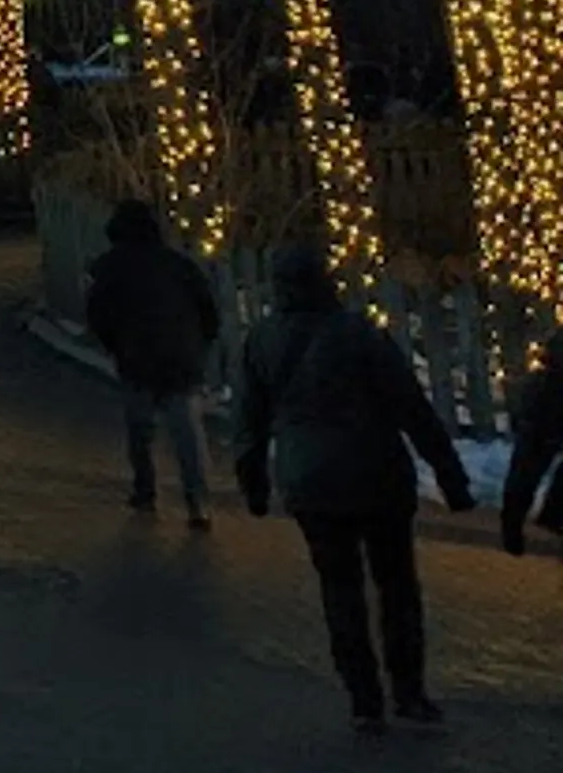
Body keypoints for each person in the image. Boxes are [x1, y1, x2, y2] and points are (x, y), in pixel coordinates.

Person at [233, 246, 472, 733]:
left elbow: (249, 424)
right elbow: (411, 407)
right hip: (377, 473)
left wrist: (253, 485)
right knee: (397, 585)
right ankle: (409, 691)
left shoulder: (261, 341)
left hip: (310, 481)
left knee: (339, 588)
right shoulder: (358, 334)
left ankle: (364, 698)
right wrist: (450, 476)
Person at [82, 199, 220, 525]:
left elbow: (98, 315)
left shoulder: (108, 268)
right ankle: (198, 500)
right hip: (181, 356)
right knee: (186, 431)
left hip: (136, 357)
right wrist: (199, 344)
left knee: (140, 428)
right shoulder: (178, 264)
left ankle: (145, 489)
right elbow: (207, 308)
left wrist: (114, 346)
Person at [504, 331, 562, 562]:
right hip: (547, 404)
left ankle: (549, 515)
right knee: (528, 467)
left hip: (545, 400)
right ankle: (517, 522)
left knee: (527, 467)